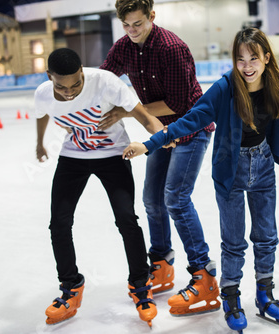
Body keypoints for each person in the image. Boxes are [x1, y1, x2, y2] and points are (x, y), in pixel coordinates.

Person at [122, 27, 279, 332]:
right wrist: (149, 144)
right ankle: (231, 297)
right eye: (240, 59)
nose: (247, 66)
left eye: (253, 58)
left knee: (266, 237)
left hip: (263, 165)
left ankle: (265, 294)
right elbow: (191, 119)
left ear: (266, 58)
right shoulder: (226, 87)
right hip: (230, 171)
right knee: (233, 242)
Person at [99, 0, 219, 316]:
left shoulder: (171, 48)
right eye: (126, 25)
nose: (132, 31)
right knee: (152, 200)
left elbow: (179, 103)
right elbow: (105, 78)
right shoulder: (124, 46)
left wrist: (126, 110)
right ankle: (162, 263)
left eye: (138, 24)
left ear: (152, 16)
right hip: (161, 132)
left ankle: (203, 275)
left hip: (191, 127)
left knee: (176, 199)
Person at [35, 48, 163, 327]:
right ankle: (70, 288)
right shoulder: (44, 92)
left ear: (83, 72)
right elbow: (42, 113)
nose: (69, 92)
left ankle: (141, 285)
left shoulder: (105, 82)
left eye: (76, 84)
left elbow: (142, 115)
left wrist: (162, 134)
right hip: (73, 158)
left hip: (114, 157)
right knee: (59, 223)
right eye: (61, 86)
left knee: (127, 219)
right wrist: (39, 143)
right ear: (49, 78)